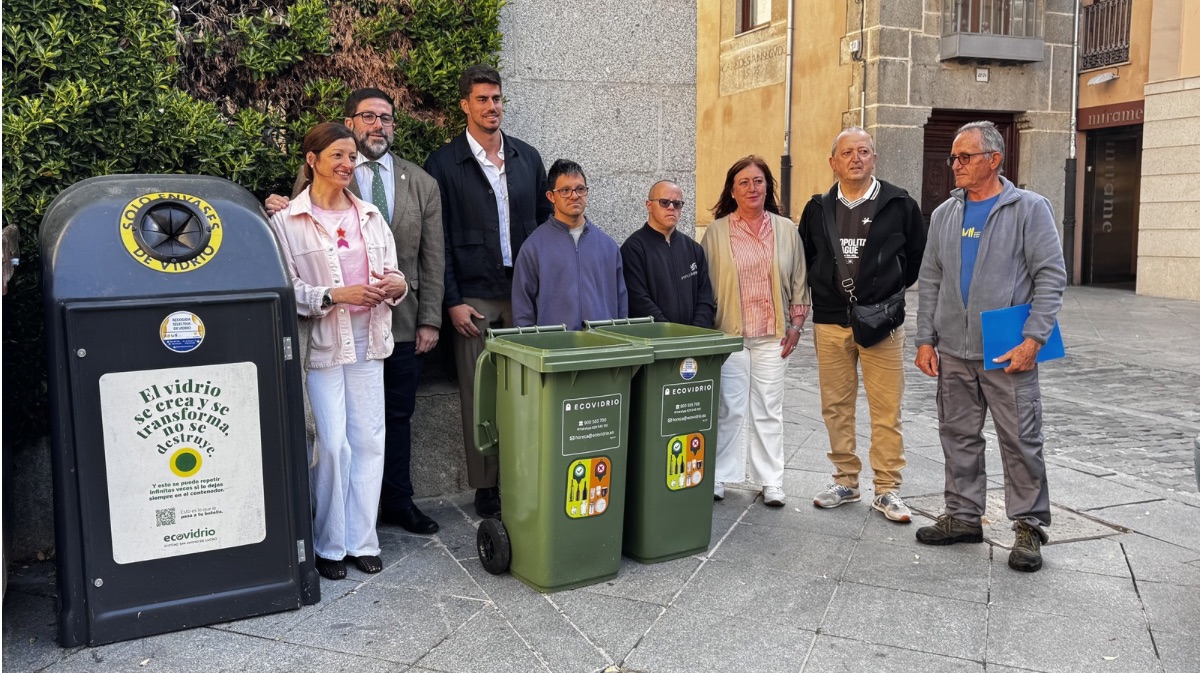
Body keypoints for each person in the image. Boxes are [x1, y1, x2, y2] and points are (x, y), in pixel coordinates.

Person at [267, 88, 445, 535]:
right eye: (368, 117)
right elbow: (293, 264)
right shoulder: (306, 199)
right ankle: (331, 531)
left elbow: (431, 258)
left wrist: (427, 315)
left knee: (386, 426)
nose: (378, 126)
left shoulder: (416, 184)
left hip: (392, 327)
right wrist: (335, 294)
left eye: (386, 118)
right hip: (327, 336)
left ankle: (385, 516)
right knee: (333, 440)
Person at [913, 120, 1066, 573]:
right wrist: (925, 339)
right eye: (954, 158)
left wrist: (1034, 338)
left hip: (1007, 350)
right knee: (957, 435)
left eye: (965, 157)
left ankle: (1029, 527)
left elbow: (1051, 276)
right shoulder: (945, 213)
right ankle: (962, 516)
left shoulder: (1029, 209)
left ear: (994, 160)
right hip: (955, 351)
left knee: (1021, 440)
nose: (955, 165)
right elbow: (931, 280)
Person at [268, 122, 409, 580]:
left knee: (369, 443)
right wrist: (334, 295)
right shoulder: (285, 222)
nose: (348, 165)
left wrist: (397, 284)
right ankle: (329, 545)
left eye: (351, 158)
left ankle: (362, 541)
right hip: (324, 347)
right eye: (338, 157)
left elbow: (394, 272)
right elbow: (286, 290)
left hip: (370, 344)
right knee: (331, 446)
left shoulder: (370, 215)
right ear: (312, 161)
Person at [424, 65, 551, 519]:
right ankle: (486, 486)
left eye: (497, 98)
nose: (492, 106)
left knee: (527, 388)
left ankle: (523, 471)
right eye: (482, 99)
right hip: (472, 296)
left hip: (521, 293)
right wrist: (452, 299)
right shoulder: (443, 163)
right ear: (465, 105)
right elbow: (435, 239)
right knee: (479, 394)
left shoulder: (526, 158)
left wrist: (542, 292)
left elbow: (543, 228)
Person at [798, 128, 926, 523]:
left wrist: (882, 297)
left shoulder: (900, 203)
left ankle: (887, 489)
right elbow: (808, 257)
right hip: (831, 322)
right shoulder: (817, 209)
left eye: (863, 151)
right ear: (833, 161)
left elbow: (915, 260)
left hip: (881, 323)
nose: (856, 158)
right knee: (836, 407)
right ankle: (846, 481)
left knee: (886, 408)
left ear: (874, 158)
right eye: (847, 152)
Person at [700, 156, 809, 507]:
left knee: (768, 408)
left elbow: (799, 282)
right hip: (729, 335)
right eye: (744, 182)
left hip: (772, 334)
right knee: (727, 407)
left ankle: (770, 481)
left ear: (768, 186)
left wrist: (796, 326)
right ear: (732, 190)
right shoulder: (715, 232)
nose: (752, 188)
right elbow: (705, 286)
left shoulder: (786, 230)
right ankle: (719, 476)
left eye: (758, 181)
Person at [512, 159, 627, 329]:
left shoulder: (608, 247)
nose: (574, 196)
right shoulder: (533, 248)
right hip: (554, 349)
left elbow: (621, 303)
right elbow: (522, 311)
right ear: (551, 196)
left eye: (580, 189)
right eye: (565, 190)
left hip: (602, 347)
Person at [621, 180, 716, 327]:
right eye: (664, 202)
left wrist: (696, 332)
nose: (671, 207)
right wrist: (670, 332)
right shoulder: (633, 249)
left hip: (694, 343)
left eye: (677, 204)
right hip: (655, 342)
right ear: (649, 206)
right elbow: (638, 300)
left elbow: (704, 298)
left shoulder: (693, 249)